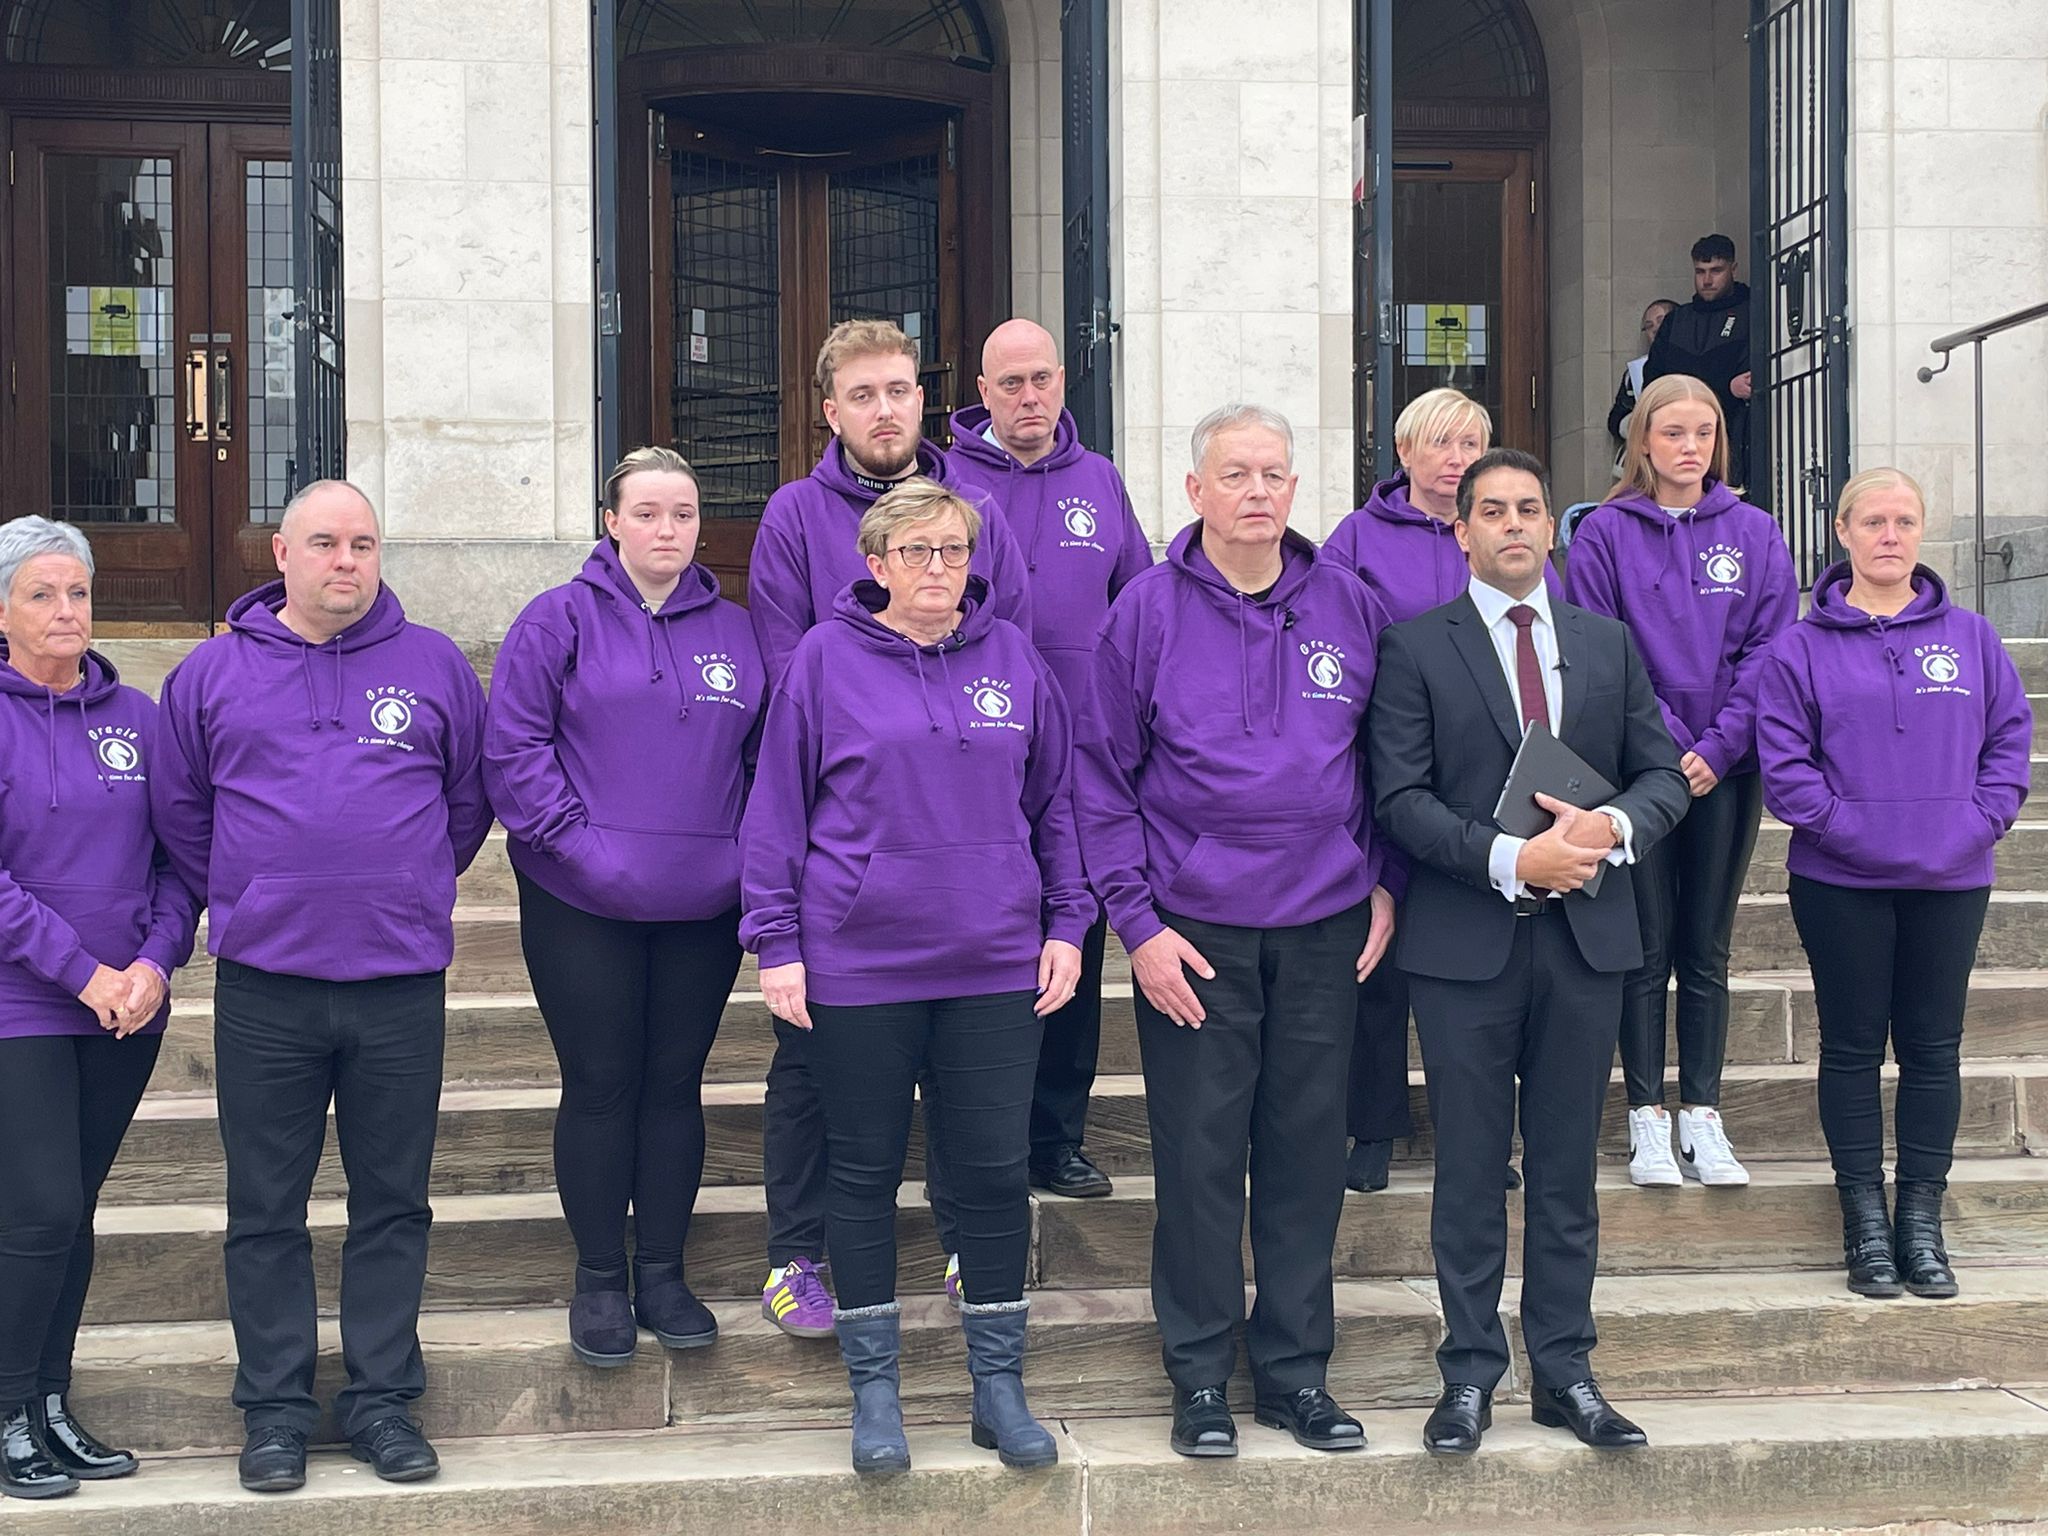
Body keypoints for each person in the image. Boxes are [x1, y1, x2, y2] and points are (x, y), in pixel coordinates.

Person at [740, 479, 1090, 1476]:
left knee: (986, 1175)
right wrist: (777, 943)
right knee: (859, 1177)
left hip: (991, 961)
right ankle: (876, 1392)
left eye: (951, 549)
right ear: (877, 565)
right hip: (858, 965)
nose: (936, 567)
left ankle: (996, 1388)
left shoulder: (1013, 660)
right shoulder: (822, 660)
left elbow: (1055, 801)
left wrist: (1067, 920)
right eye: (915, 552)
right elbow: (775, 812)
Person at [152, 482, 491, 1494]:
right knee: (265, 1206)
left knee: (393, 1202)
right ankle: (275, 1411)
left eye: (364, 544)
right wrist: (257, 894)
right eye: (326, 544)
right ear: (282, 555)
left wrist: (408, 882)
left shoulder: (432, 665)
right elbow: (180, 813)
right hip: (268, 984)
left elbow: (467, 801)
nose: (347, 560)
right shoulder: (211, 674)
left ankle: (383, 1400)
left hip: (395, 981)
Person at [1078, 403, 1399, 1462]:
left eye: (1273, 472)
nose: (1256, 490)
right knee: (1201, 1160)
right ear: (1195, 492)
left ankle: (1296, 1374)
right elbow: (1099, 780)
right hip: (1194, 934)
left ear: (1294, 491)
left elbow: (1385, 768)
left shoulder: (1349, 605)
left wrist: (1381, 886)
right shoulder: (1143, 613)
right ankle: (1200, 1379)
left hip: (1320, 928)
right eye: (1235, 473)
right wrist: (1136, 924)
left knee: (1307, 1158)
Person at [1368, 448, 1689, 1458]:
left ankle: (1564, 1372)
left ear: (1550, 527)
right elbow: (1400, 799)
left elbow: (1662, 775)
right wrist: (1514, 855)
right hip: (1465, 948)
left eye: (1527, 509)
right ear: (1459, 531)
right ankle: (1467, 1375)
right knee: (1468, 1169)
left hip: (1586, 945)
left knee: (1562, 1174)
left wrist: (1606, 832)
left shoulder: (1608, 647)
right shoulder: (1414, 647)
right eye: (1490, 510)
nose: (1511, 524)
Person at [748, 319, 1035, 1336]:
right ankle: (798, 1253)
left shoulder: (978, 509)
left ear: (923, 399)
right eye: (862, 394)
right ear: (831, 410)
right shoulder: (792, 515)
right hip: (847, 856)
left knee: (966, 1085)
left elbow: (1007, 650)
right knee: (809, 1079)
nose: (884, 409)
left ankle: (966, 1246)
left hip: (964, 874)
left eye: (900, 391)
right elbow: (789, 675)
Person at [485, 448, 763, 1367]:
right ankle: (601, 1277)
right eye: (647, 513)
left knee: (675, 1085)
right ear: (612, 520)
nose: (666, 530)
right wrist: (579, 848)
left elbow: (764, 758)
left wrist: (742, 857)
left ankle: (666, 1273)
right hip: (581, 899)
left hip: (704, 903)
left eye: (682, 514)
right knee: (603, 1084)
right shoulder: (556, 619)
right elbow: (515, 749)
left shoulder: (736, 629)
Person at [1757, 468, 2030, 1302]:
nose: (1888, 534)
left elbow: (2008, 745)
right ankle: (1864, 1223)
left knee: (1932, 1047)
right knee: (1849, 1048)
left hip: (1950, 878)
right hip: (1840, 880)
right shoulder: (1800, 648)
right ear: (1841, 532)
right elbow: (1784, 765)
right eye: (1872, 519)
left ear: (1920, 532)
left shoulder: (1974, 639)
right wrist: (1849, 831)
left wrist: (1974, 825)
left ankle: (1920, 1220)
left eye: (1904, 520)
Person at [0, 518, 199, 1501]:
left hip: (125, 1009)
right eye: (41, 594)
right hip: (22, 1004)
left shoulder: (143, 719)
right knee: (33, 1209)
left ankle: (49, 1403)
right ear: (3, 610)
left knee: (70, 1212)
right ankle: (5, 1409)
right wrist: (83, 971)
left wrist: (156, 964)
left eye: (76, 593)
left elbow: (178, 861)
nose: (65, 612)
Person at [1322, 387, 1556, 1195]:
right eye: (1442, 443)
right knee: (1381, 958)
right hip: (1394, 764)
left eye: (1471, 442)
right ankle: (1374, 1127)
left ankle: (1487, 1137)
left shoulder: (1502, 532)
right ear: (1406, 452)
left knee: (1485, 969)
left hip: (1493, 773)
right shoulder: (1356, 538)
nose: (1456, 458)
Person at [1566, 375, 1799, 1190]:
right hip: (1638, 776)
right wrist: (1666, 748)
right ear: (1642, 442)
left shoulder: (1758, 532)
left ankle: (1703, 1112)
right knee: (1645, 946)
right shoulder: (1602, 535)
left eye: (1704, 431)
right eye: (1672, 432)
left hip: (1728, 770)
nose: (1689, 446)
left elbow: (1770, 650)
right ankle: (1647, 1119)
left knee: (1706, 946)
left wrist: (1721, 745)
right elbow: (1603, 646)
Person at [947, 317, 1153, 1202]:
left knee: (1075, 940)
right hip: (973, 758)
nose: (1029, 399)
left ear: (1062, 380)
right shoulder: (943, 479)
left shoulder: (1099, 481)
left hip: (1077, 761)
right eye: (1009, 385)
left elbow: (1141, 601)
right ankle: (964, 1136)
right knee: (981, 953)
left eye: (1041, 380)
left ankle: (1055, 1139)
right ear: (982, 393)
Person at [1645, 235, 1752, 483]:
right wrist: (1726, 386)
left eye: (1716, 271)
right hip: (1679, 438)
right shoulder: (1676, 321)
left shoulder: (1752, 312)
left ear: (1733, 269)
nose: (1707, 280)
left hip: (1735, 438)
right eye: (1700, 271)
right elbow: (1654, 382)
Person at [1607, 299, 1680, 466]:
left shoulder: (1693, 360)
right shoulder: (1635, 372)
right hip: (1646, 462)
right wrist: (1637, 424)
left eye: (1661, 321)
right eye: (1648, 325)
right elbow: (1615, 420)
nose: (1655, 329)